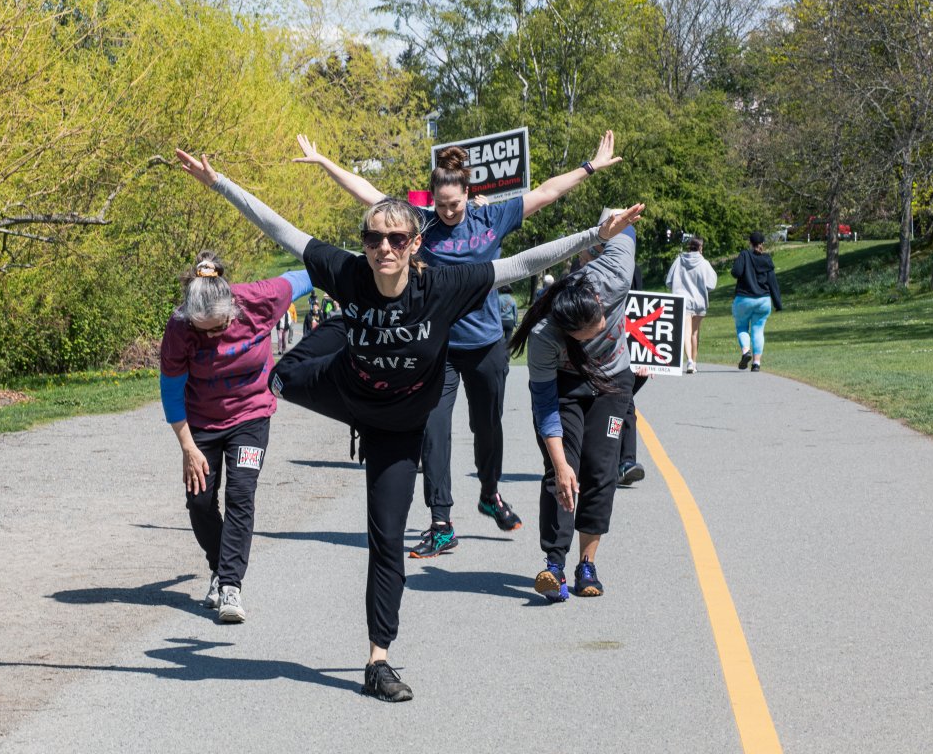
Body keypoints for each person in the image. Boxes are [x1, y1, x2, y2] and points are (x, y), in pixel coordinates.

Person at [175, 146, 641, 702]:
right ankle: (300, 365)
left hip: (397, 428)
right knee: (285, 376)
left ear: (415, 243)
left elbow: (524, 263)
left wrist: (596, 235)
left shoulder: (443, 286)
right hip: (344, 390)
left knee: (386, 539)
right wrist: (220, 181)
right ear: (365, 244)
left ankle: (378, 660)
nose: (385, 248)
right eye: (375, 239)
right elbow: (282, 229)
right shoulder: (348, 271)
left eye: (397, 239)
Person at [293, 131, 624, 558]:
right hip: (438, 347)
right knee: (434, 429)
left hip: (487, 343)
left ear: (469, 193)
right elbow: (371, 195)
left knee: (487, 428)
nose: (448, 212)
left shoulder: (491, 219)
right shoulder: (422, 223)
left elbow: (545, 193)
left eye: (456, 204)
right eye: (442, 204)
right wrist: (325, 163)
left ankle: (489, 492)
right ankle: (441, 520)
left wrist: (589, 167)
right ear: (431, 199)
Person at [159, 252, 312, 623]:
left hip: (251, 416)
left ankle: (230, 585)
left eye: (219, 327)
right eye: (203, 330)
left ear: (233, 307)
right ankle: (217, 566)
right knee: (199, 501)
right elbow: (171, 391)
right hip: (201, 422)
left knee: (241, 494)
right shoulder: (180, 329)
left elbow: (313, 272)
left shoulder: (262, 298)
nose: (211, 336)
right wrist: (187, 447)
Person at [509, 209, 642, 604]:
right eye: (591, 330)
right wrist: (563, 463)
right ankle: (553, 564)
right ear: (568, 330)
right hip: (564, 388)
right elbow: (545, 404)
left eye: (601, 317)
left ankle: (587, 564)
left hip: (613, 383)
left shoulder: (614, 276)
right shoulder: (544, 337)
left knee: (601, 470)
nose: (602, 325)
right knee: (560, 472)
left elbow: (620, 227)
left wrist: (609, 224)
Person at [577, 236, 648, 488]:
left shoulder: (630, 270)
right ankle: (601, 460)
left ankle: (626, 462)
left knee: (624, 401)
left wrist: (644, 357)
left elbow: (642, 311)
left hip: (623, 352)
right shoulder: (579, 274)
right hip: (587, 353)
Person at [730, 231, 783, 372]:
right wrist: (778, 303)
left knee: (742, 327)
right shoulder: (767, 259)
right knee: (758, 330)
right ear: (762, 244)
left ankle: (746, 351)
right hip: (763, 301)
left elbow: (735, 272)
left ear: (750, 243)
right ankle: (756, 363)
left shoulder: (744, 255)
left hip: (744, 299)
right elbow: (773, 283)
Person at [666, 236, 718, 374]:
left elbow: (669, 281)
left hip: (683, 301)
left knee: (686, 332)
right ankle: (694, 363)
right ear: (700, 248)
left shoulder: (679, 260)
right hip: (700, 302)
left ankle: (689, 360)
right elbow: (712, 284)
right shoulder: (704, 263)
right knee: (694, 333)